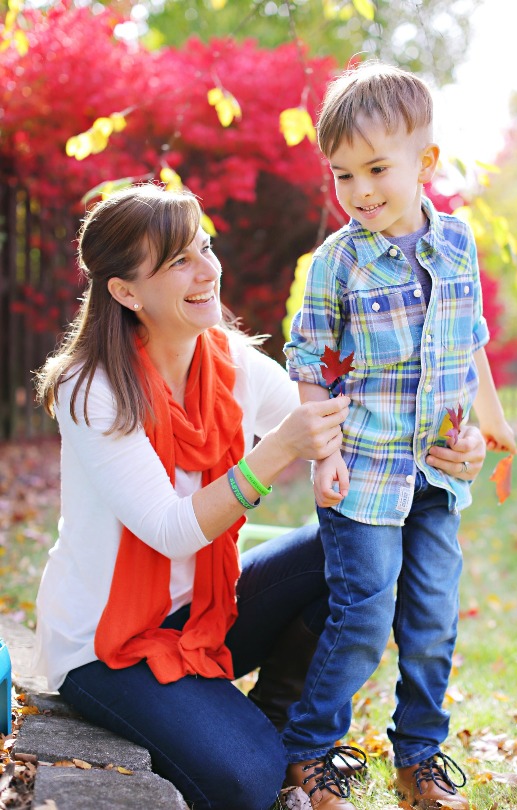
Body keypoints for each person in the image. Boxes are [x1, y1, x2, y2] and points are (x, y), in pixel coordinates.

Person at [33, 183, 487, 810]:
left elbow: (351, 421)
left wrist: (456, 445)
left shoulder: (231, 363)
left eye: (204, 247)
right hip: (108, 646)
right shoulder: (93, 389)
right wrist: (277, 451)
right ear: (125, 292)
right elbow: (169, 529)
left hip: (206, 611)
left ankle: (291, 730)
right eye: (178, 261)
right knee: (245, 780)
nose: (207, 270)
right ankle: (255, 739)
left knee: (361, 553)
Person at [283, 61, 516, 810]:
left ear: (427, 162)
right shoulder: (337, 262)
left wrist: (489, 425)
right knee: (365, 615)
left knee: (431, 621)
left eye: (377, 168)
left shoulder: (457, 245)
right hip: (365, 472)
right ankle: (310, 751)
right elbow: (312, 360)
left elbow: (468, 341)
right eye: (342, 174)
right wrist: (323, 457)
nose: (359, 191)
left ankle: (418, 758)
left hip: (438, 475)